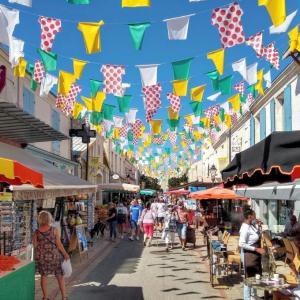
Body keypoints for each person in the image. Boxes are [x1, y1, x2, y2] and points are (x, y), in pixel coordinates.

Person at [33, 211, 69, 300]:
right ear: (49, 219)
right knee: (59, 276)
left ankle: (45, 297)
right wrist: (65, 254)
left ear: (40, 219)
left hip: (42, 257)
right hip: (54, 256)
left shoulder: (36, 232)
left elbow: (35, 245)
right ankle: (64, 297)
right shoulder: (54, 230)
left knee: (44, 276)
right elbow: (59, 244)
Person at [239, 208, 265, 300]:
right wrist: (256, 249)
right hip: (250, 255)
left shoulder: (251, 225)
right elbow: (241, 244)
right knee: (249, 278)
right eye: (254, 215)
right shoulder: (245, 228)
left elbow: (256, 234)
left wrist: (258, 225)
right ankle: (247, 298)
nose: (255, 217)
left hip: (255, 255)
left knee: (255, 277)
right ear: (250, 216)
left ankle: (254, 296)